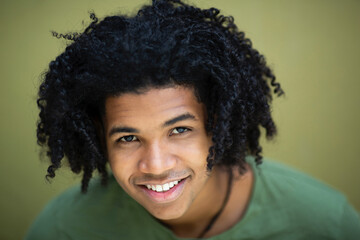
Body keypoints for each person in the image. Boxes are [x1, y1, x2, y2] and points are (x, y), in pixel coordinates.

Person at [25, 0, 360, 239]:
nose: (155, 165)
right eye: (127, 138)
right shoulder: (64, 228)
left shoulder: (324, 223)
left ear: (217, 125)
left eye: (180, 129)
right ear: (99, 137)